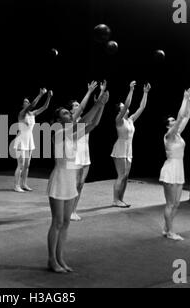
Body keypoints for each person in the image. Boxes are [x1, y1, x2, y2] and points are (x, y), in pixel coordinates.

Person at [47, 86, 108, 273]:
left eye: (68, 112)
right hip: (58, 181)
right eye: (66, 113)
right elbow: (82, 123)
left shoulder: (72, 135)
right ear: (58, 120)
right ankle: (51, 260)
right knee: (57, 222)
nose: (69, 114)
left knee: (65, 223)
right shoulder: (58, 133)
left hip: (70, 181)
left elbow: (93, 124)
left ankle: (60, 258)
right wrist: (97, 103)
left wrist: (102, 106)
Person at [160, 88, 190, 241]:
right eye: (172, 121)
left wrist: (188, 100)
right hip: (170, 170)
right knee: (170, 204)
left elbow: (186, 115)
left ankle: (167, 228)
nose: (175, 121)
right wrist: (184, 99)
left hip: (179, 169)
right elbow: (181, 117)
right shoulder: (168, 135)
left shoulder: (178, 134)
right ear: (168, 125)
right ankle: (170, 232)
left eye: (174, 120)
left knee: (177, 204)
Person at [68, 80, 104, 221]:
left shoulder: (84, 120)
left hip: (85, 155)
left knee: (81, 184)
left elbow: (96, 121)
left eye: (78, 104)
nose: (78, 106)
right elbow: (83, 107)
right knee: (74, 184)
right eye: (75, 106)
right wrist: (89, 92)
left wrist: (101, 102)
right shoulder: (71, 121)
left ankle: (73, 210)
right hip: (74, 156)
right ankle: (69, 210)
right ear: (71, 111)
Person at [111, 81, 151, 208]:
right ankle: (115, 200)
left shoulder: (130, 119)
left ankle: (120, 199)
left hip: (129, 149)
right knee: (121, 175)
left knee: (126, 176)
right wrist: (131, 90)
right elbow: (128, 103)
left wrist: (145, 93)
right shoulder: (119, 120)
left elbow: (142, 107)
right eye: (123, 106)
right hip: (120, 148)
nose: (126, 107)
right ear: (120, 110)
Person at [13, 88, 52, 192]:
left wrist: (48, 97)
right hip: (21, 140)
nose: (26, 103)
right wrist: (40, 94)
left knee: (27, 165)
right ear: (23, 105)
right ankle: (16, 186)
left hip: (29, 140)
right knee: (20, 165)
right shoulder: (22, 113)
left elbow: (45, 107)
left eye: (27, 101)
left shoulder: (33, 113)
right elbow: (33, 105)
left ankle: (24, 184)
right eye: (24, 102)